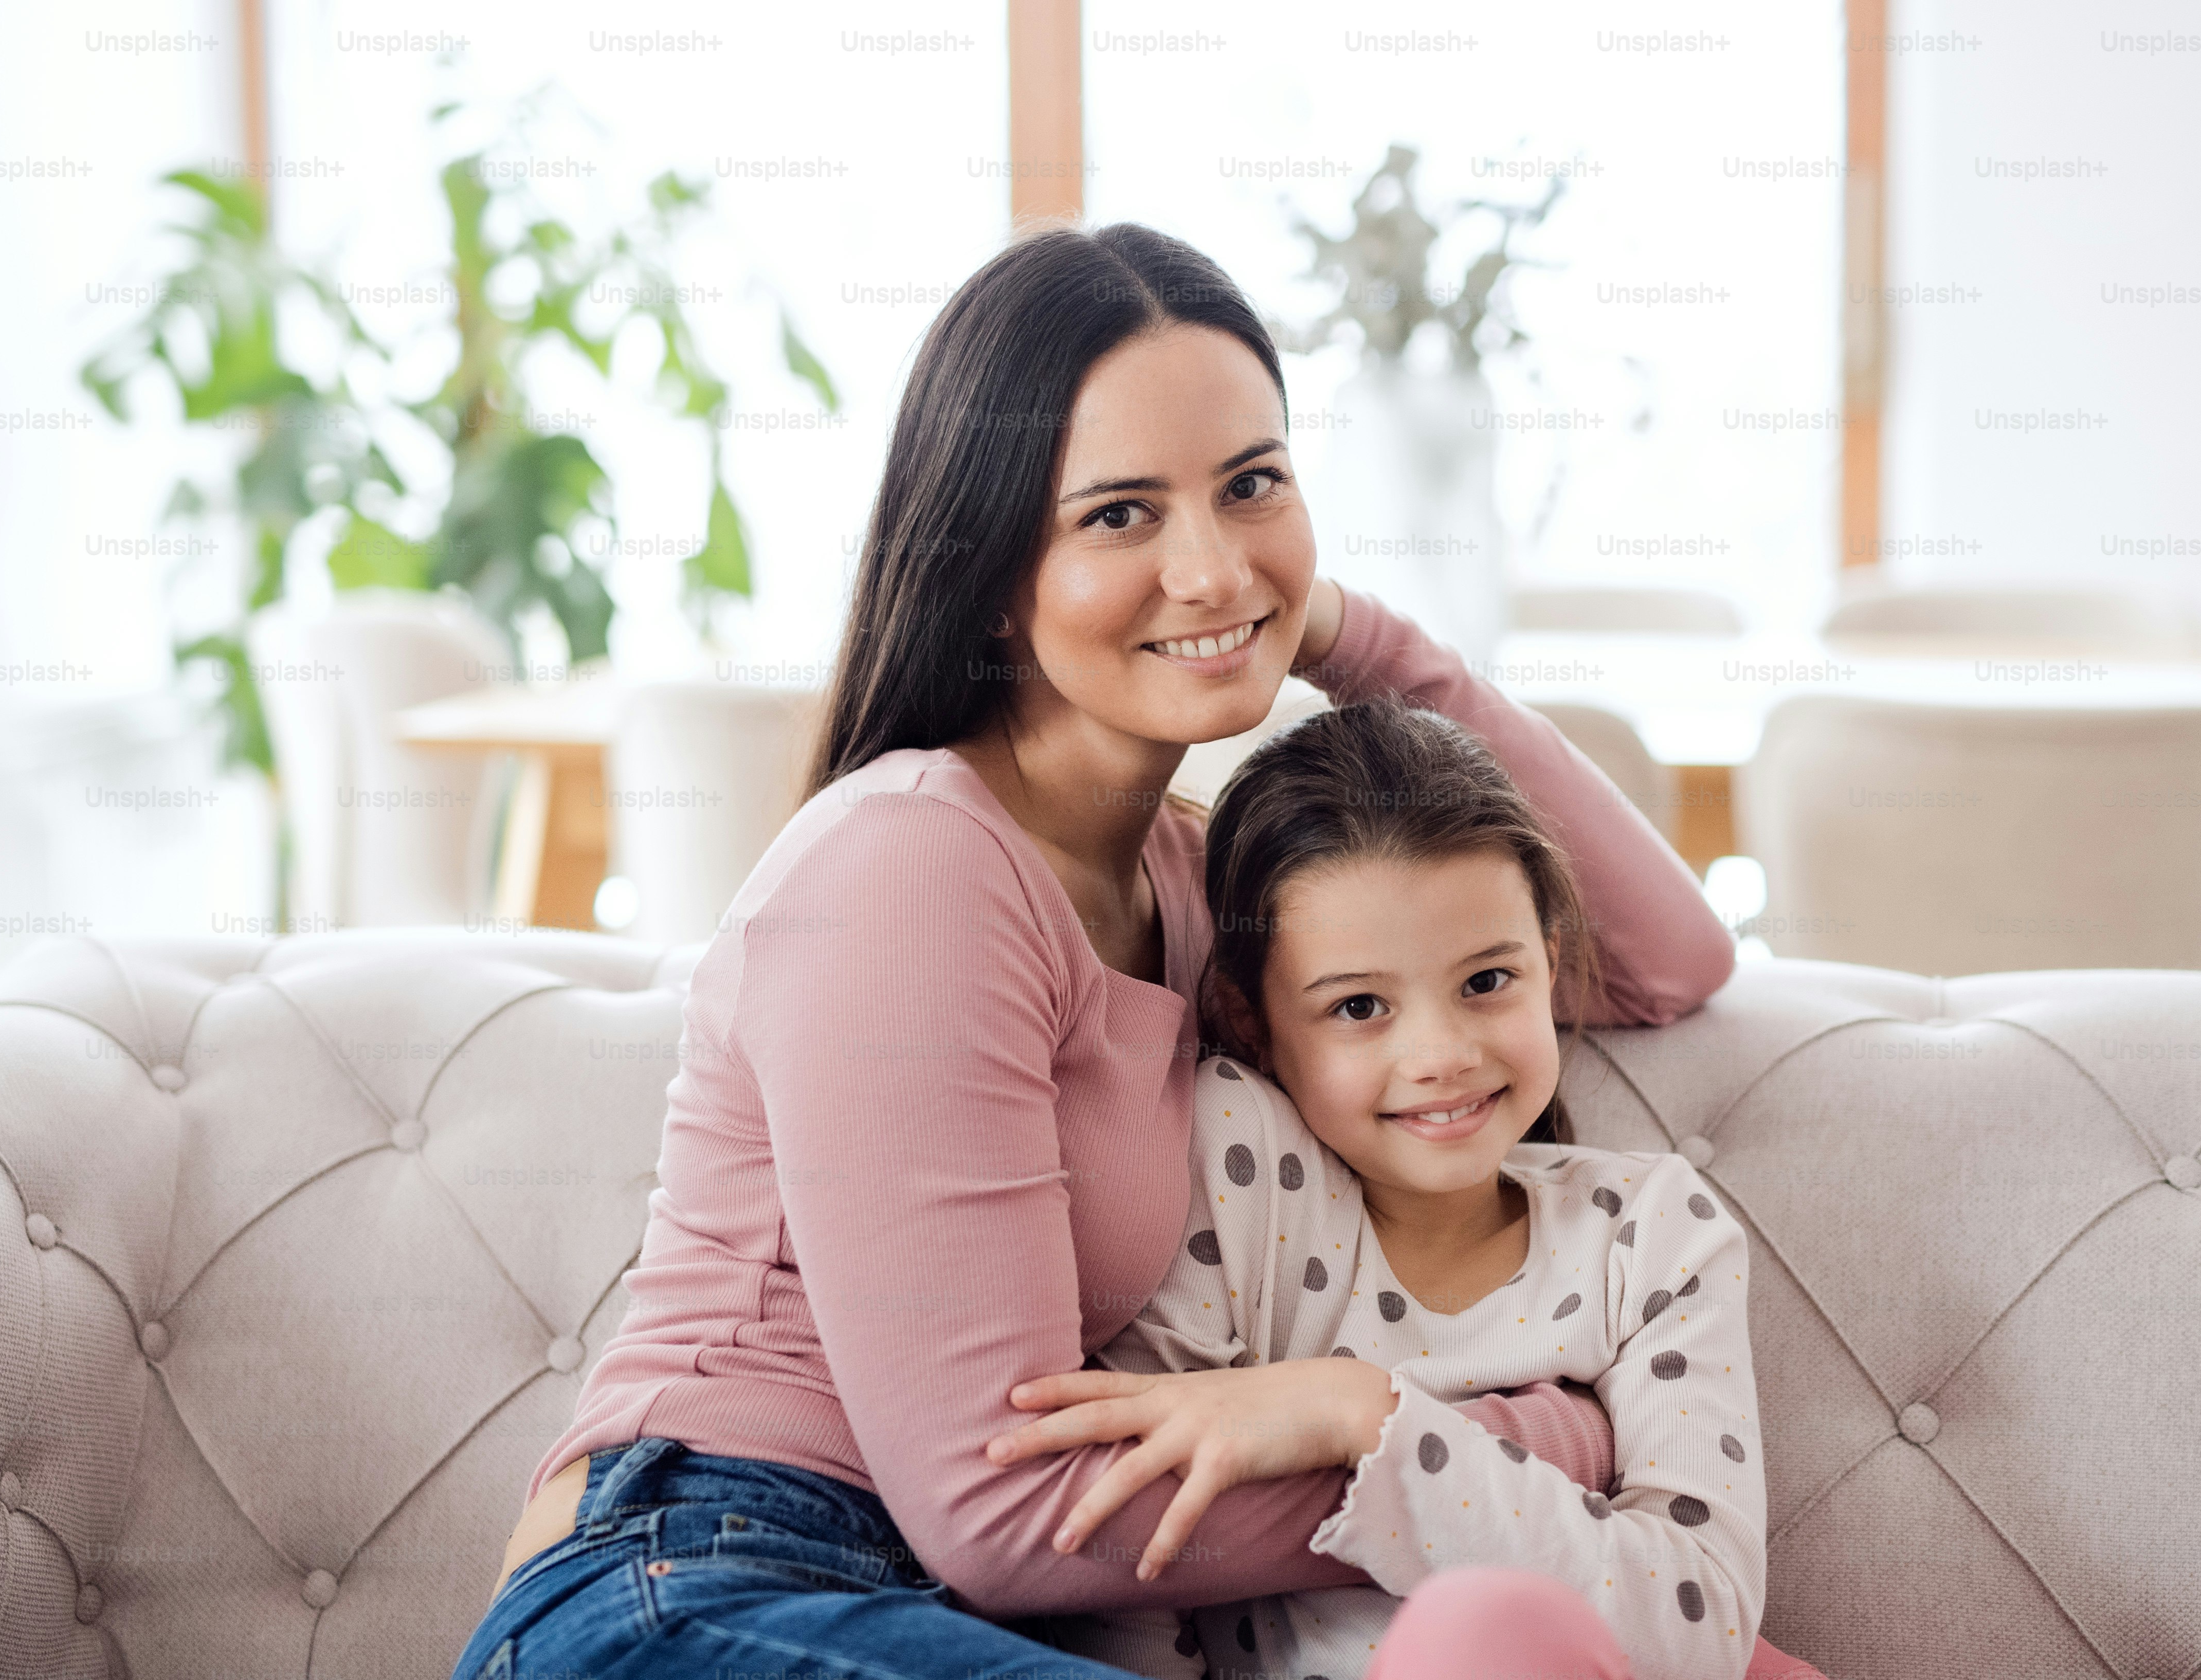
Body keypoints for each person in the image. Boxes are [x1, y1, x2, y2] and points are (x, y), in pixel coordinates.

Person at [448, 224, 1736, 1680]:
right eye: (1122, 514)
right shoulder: (911, 862)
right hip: (708, 1571)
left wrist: (1331, 627)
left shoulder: (1194, 879)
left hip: (948, 1618)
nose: (1204, 565)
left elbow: (1658, 958)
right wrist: (1493, 1442)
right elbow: (1004, 1513)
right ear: (996, 568)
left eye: (1251, 485)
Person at [1015, 700, 1825, 1680]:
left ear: (1550, 965)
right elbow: (1132, 1550)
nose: (1441, 1056)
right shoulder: (1235, 1169)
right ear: (1252, 1019)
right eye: (1359, 1006)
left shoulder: (1649, 1230)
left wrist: (1362, 1415)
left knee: (1485, 1634)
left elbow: (1699, 1629)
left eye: (1488, 982)